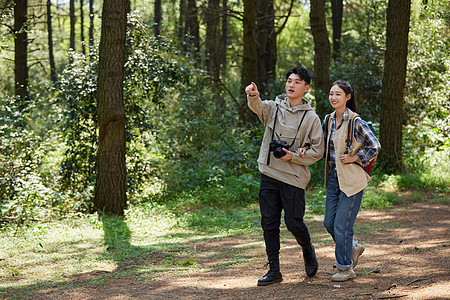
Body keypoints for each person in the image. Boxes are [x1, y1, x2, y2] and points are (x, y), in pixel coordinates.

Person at [245, 66, 324, 286]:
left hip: (294, 178)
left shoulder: (311, 118)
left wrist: (295, 157)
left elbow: (318, 150)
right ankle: (275, 270)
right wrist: (253, 95)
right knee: (268, 223)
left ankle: (307, 249)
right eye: (289, 80)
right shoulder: (274, 108)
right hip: (269, 173)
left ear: (306, 88)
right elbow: (258, 106)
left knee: (293, 222)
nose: (291, 85)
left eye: (297, 82)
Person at [321, 80, 381, 282]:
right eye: (331, 94)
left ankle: (345, 268)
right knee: (329, 223)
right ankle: (353, 247)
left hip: (352, 181)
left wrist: (355, 158)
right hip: (333, 180)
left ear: (348, 97)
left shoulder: (356, 121)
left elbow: (374, 146)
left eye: (338, 94)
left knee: (342, 225)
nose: (333, 97)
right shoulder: (328, 120)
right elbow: (321, 146)